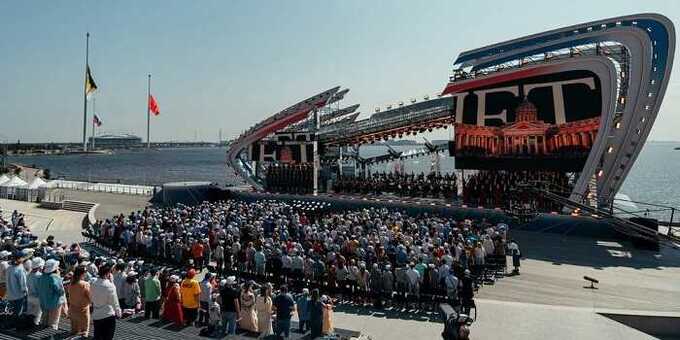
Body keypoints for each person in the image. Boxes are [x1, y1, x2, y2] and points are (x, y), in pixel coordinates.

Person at [91, 264, 121, 340]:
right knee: (107, 337)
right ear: (107, 273)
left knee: (97, 336)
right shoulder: (110, 286)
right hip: (107, 315)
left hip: (96, 314)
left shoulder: (93, 284)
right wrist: (118, 313)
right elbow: (115, 302)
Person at [37, 259, 66, 330]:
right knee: (53, 324)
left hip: (44, 303)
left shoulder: (41, 277)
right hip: (54, 304)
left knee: (44, 322)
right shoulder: (55, 277)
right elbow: (61, 292)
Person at [68, 265, 92, 337]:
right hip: (82, 311)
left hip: (72, 309)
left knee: (73, 331)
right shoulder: (85, 284)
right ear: (82, 273)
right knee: (84, 332)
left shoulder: (71, 282)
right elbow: (90, 297)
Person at [6, 249, 29, 318]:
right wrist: (26, 293)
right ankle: (16, 326)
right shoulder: (20, 269)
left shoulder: (9, 268)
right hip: (19, 295)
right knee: (18, 312)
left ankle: (13, 324)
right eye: (22, 257)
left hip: (10, 294)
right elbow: (23, 284)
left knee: (13, 312)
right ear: (19, 259)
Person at [26, 257, 44, 326]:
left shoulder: (28, 275)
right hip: (38, 298)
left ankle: (27, 326)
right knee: (37, 316)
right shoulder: (40, 276)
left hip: (29, 296)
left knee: (29, 313)